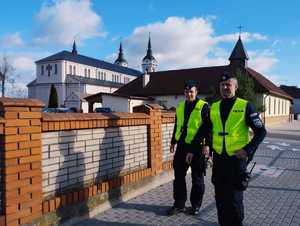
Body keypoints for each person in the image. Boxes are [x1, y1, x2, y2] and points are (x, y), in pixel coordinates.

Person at [209, 73, 266, 226]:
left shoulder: (245, 105)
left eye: (228, 84)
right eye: (222, 85)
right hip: (219, 160)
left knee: (234, 198)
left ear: (235, 87)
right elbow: (208, 130)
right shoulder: (214, 107)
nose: (225, 87)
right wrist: (207, 147)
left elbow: (261, 132)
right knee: (220, 197)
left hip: (236, 160)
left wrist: (247, 150)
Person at [167, 80, 210, 216]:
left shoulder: (203, 106)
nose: (188, 94)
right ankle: (179, 204)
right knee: (178, 176)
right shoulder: (180, 107)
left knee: (197, 178)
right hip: (182, 147)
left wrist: (208, 145)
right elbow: (177, 125)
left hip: (197, 147)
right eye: (186, 91)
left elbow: (208, 128)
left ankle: (195, 206)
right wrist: (173, 141)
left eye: (191, 91)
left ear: (196, 92)